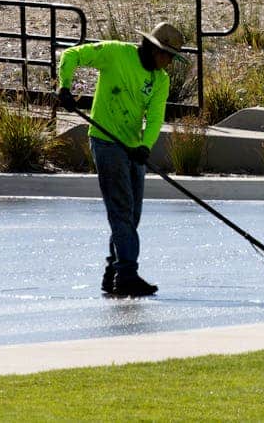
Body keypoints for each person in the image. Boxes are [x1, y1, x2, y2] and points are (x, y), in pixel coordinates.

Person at [56, 23, 186, 297]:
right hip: (106, 142)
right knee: (121, 211)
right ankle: (127, 273)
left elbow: (154, 119)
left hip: (132, 147)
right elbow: (71, 56)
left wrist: (144, 145)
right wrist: (65, 87)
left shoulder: (160, 80)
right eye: (167, 55)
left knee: (132, 215)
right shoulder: (115, 53)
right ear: (153, 48)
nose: (170, 62)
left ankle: (113, 271)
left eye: (173, 57)